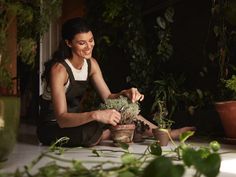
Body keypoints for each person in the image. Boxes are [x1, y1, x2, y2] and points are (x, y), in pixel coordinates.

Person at [38, 17, 195, 147]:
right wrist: (96, 115)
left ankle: (161, 132)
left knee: (121, 106)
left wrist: (125, 93)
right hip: (53, 126)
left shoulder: (91, 64)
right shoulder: (59, 70)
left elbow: (108, 97)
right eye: (82, 43)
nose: (89, 47)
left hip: (76, 120)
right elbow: (62, 119)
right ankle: (124, 131)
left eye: (91, 40)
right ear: (68, 43)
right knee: (91, 129)